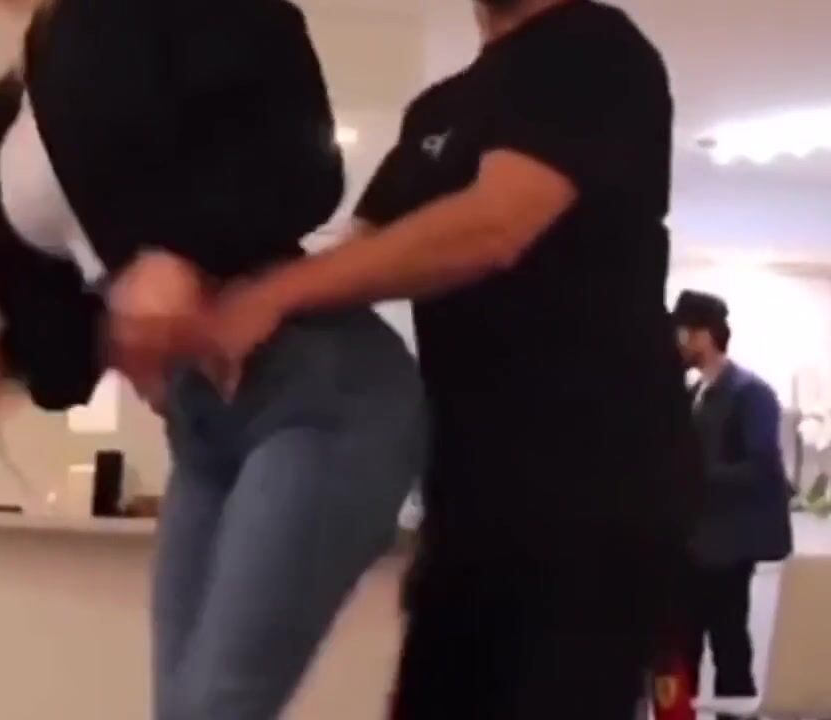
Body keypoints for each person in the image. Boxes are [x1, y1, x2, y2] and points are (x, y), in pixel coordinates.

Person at [0, 0, 427, 717]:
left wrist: (185, 255)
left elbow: (302, 162)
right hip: (202, 425)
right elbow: (54, 330)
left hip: (322, 390)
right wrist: (6, 358)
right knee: (186, 707)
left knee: (215, 705)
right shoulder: (0, 118)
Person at [204, 0, 700, 717]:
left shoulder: (595, 47)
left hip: (592, 498)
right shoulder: (438, 109)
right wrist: (212, 300)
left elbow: (495, 226)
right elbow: (357, 254)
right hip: (471, 501)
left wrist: (275, 295)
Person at [672, 290, 793, 718]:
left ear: (705, 335)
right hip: (691, 546)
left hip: (728, 548)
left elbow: (761, 468)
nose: (677, 343)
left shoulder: (749, 393)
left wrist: (694, 476)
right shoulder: (693, 392)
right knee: (681, 647)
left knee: (729, 647)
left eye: (682, 334)